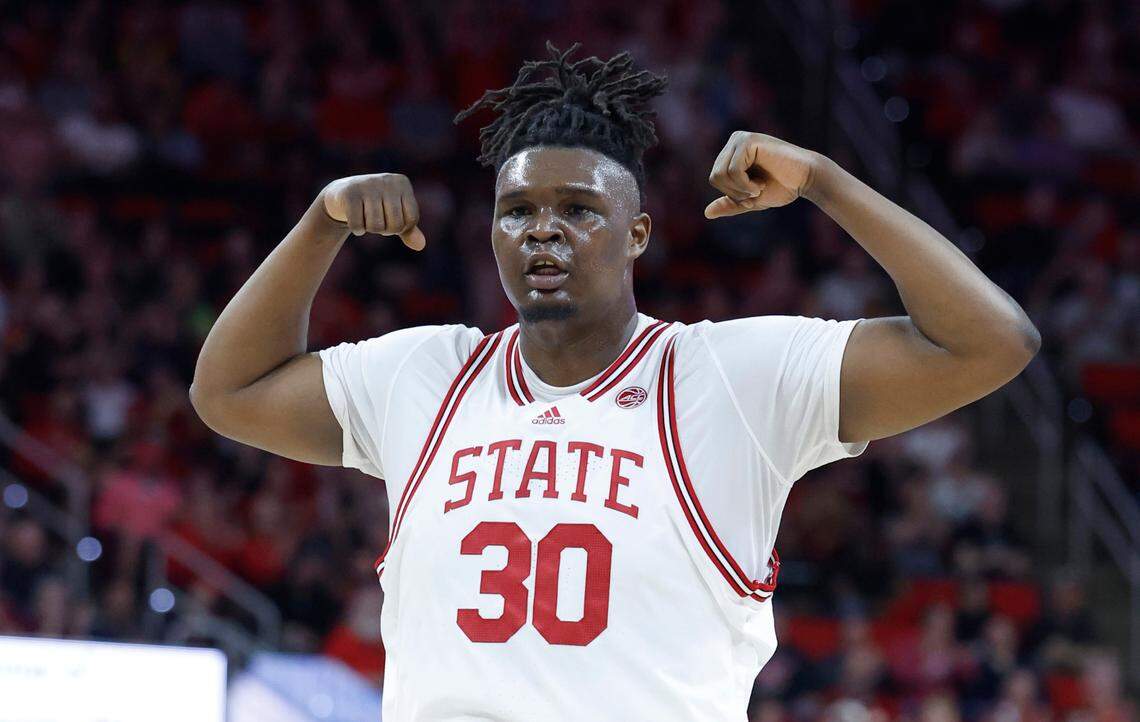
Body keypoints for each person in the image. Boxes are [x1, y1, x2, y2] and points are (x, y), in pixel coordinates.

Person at [190, 42, 1040, 722]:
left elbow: (989, 342)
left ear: (636, 235)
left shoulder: (729, 376)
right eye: (517, 212)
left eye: (578, 210)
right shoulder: (426, 372)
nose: (543, 232)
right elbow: (228, 393)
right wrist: (321, 223)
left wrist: (824, 180)